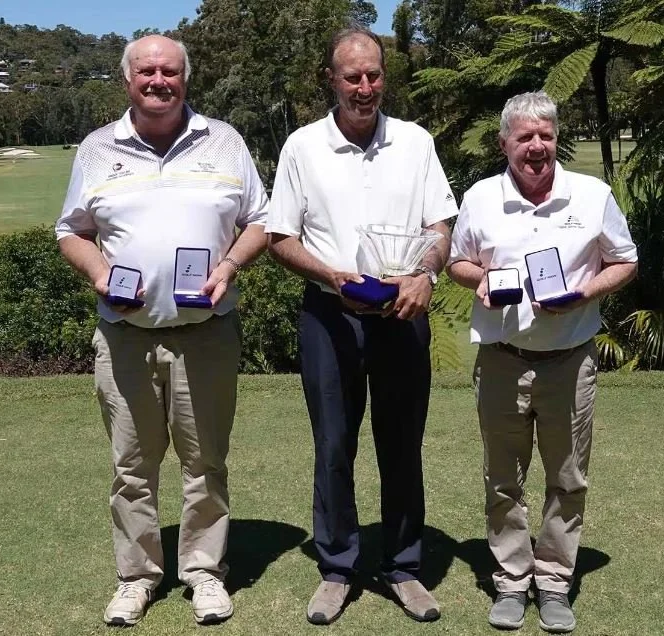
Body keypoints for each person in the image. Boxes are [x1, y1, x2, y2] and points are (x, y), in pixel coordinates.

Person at [55, 35, 268, 628]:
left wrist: (228, 267)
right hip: (125, 336)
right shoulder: (99, 147)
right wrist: (98, 271)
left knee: (206, 462)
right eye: (146, 71)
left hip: (207, 332)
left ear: (185, 78)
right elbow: (70, 229)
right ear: (128, 80)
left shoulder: (223, 140)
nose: (158, 80)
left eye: (169, 71)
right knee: (132, 465)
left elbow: (261, 220)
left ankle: (204, 572)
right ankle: (137, 577)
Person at [266, 22, 458, 626]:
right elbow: (279, 237)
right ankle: (337, 567)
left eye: (374, 74)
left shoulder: (415, 142)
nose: (365, 86)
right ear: (331, 79)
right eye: (352, 76)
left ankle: (403, 567)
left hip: (402, 313)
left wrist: (426, 275)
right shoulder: (302, 147)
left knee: (402, 444)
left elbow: (440, 230)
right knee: (333, 446)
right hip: (330, 314)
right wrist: (335, 277)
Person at [447, 91, 638, 633]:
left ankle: (553, 582)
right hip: (503, 359)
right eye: (525, 137)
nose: (536, 147)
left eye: (546, 136)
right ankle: (511, 580)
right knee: (503, 477)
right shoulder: (481, 197)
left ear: (557, 139)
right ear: (505, 142)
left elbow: (625, 261)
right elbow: (459, 261)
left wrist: (582, 294)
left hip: (569, 361)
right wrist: (479, 279)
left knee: (567, 477)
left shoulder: (592, 195)